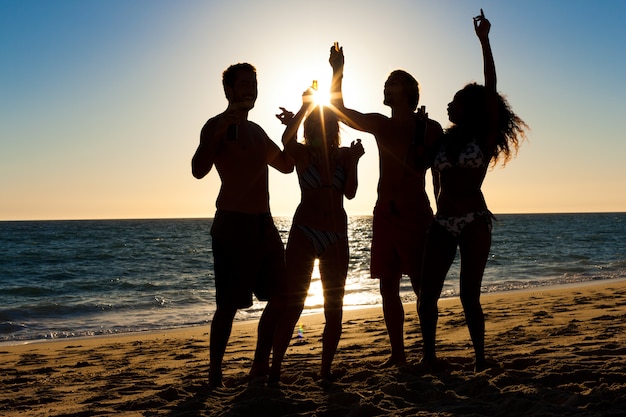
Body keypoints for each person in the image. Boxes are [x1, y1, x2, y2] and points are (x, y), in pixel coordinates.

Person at [418, 10, 527, 371]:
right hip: (443, 221)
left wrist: (485, 42)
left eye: (455, 101)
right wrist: (420, 129)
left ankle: (481, 359)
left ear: (471, 108)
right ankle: (429, 358)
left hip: (475, 220)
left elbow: (491, 86)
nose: (449, 105)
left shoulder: (484, 135)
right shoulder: (443, 142)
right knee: (427, 294)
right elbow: (423, 172)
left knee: (469, 296)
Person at [329, 43, 443, 367]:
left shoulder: (429, 128)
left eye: (391, 82)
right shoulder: (381, 123)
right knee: (387, 287)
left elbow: (439, 171)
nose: (385, 86)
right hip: (384, 213)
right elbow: (340, 111)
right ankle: (398, 355)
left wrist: (443, 211)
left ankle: (430, 356)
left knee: (423, 287)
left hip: (416, 213)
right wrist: (337, 70)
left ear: (407, 91)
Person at [251, 84, 364, 384]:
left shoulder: (342, 155)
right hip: (305, 232)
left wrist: (354, 163)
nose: (321, 129)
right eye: (315, 124)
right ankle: (275, 371)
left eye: (326, 124)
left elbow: (350, 193)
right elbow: (286, 138)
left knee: (334, 308)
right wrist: (305, 108)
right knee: (294, 304)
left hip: (337, 235)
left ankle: (325, 371)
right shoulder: (302, 154)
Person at [191, 63, 294, 388]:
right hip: (232, 224)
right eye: (244, 84)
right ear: (229, 90)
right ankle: (215, 374)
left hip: (264, 224)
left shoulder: (258, 131)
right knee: (228, 306)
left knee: (282, 296)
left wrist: (292, 127)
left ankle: (259, 365)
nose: (250, 89)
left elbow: (287, 166)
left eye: (254, 83)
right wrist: (221, 130)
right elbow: (198, 169)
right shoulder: (214, 125)